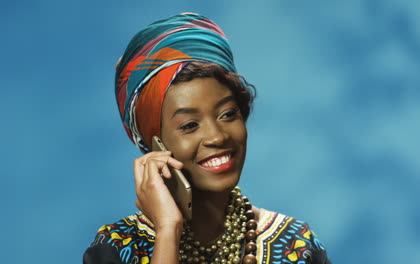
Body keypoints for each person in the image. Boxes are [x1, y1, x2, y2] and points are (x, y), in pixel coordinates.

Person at [83, 13, 332, 264]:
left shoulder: (296, 245)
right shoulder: (115, 247)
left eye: (228, 114)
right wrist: (168, 229)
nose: (216, 136)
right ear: (155, 145)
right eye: (190, 125)